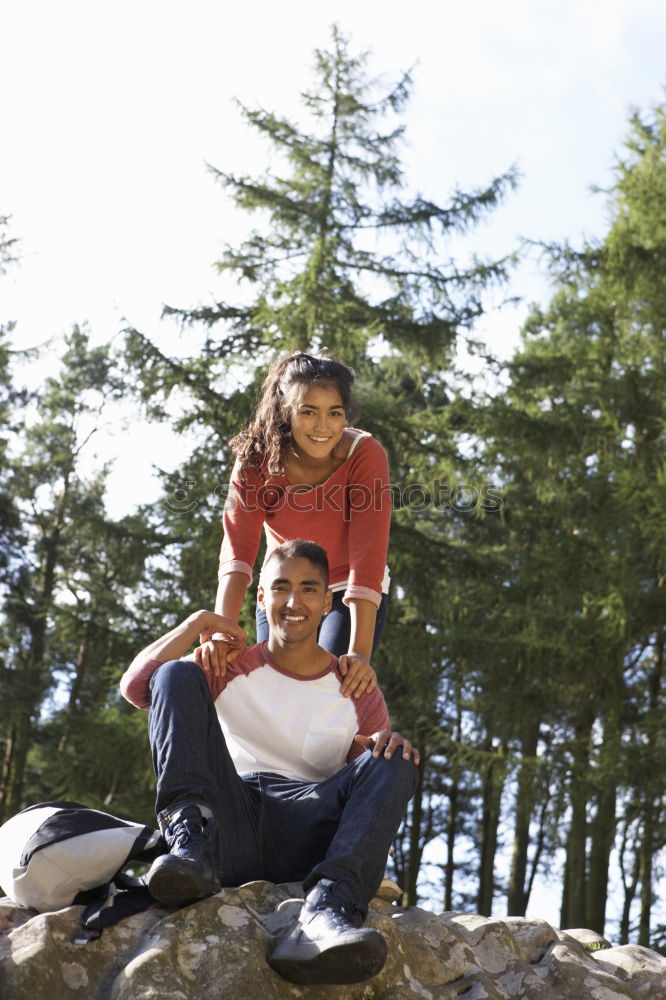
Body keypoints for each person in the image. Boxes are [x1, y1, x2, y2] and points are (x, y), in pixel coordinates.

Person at [120, 539, 418, 986]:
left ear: (325, 603)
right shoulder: (227, 663)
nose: (293, 602)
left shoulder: (355, 687)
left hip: (305, 835)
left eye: (308, 589)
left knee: (395, 757)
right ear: (262, 598)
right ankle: (188, 850)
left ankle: (325, 913)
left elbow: (369, 793)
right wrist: (199, 622)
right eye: (280, 588)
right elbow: (139, 688)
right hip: (227, 827)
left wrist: (386, 746)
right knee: (174, 672)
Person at [211, 351, 392, 699]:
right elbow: (239, 548)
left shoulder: (365, 455)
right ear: (285, 411)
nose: (323, 426)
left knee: (329, 690)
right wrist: (223, 631)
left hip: (346, 587)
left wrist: (358, 653)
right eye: (308, 411)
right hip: (283, 588)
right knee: (276, 694)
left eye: (334, 413)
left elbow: (368, 556)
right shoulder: (256, 460)